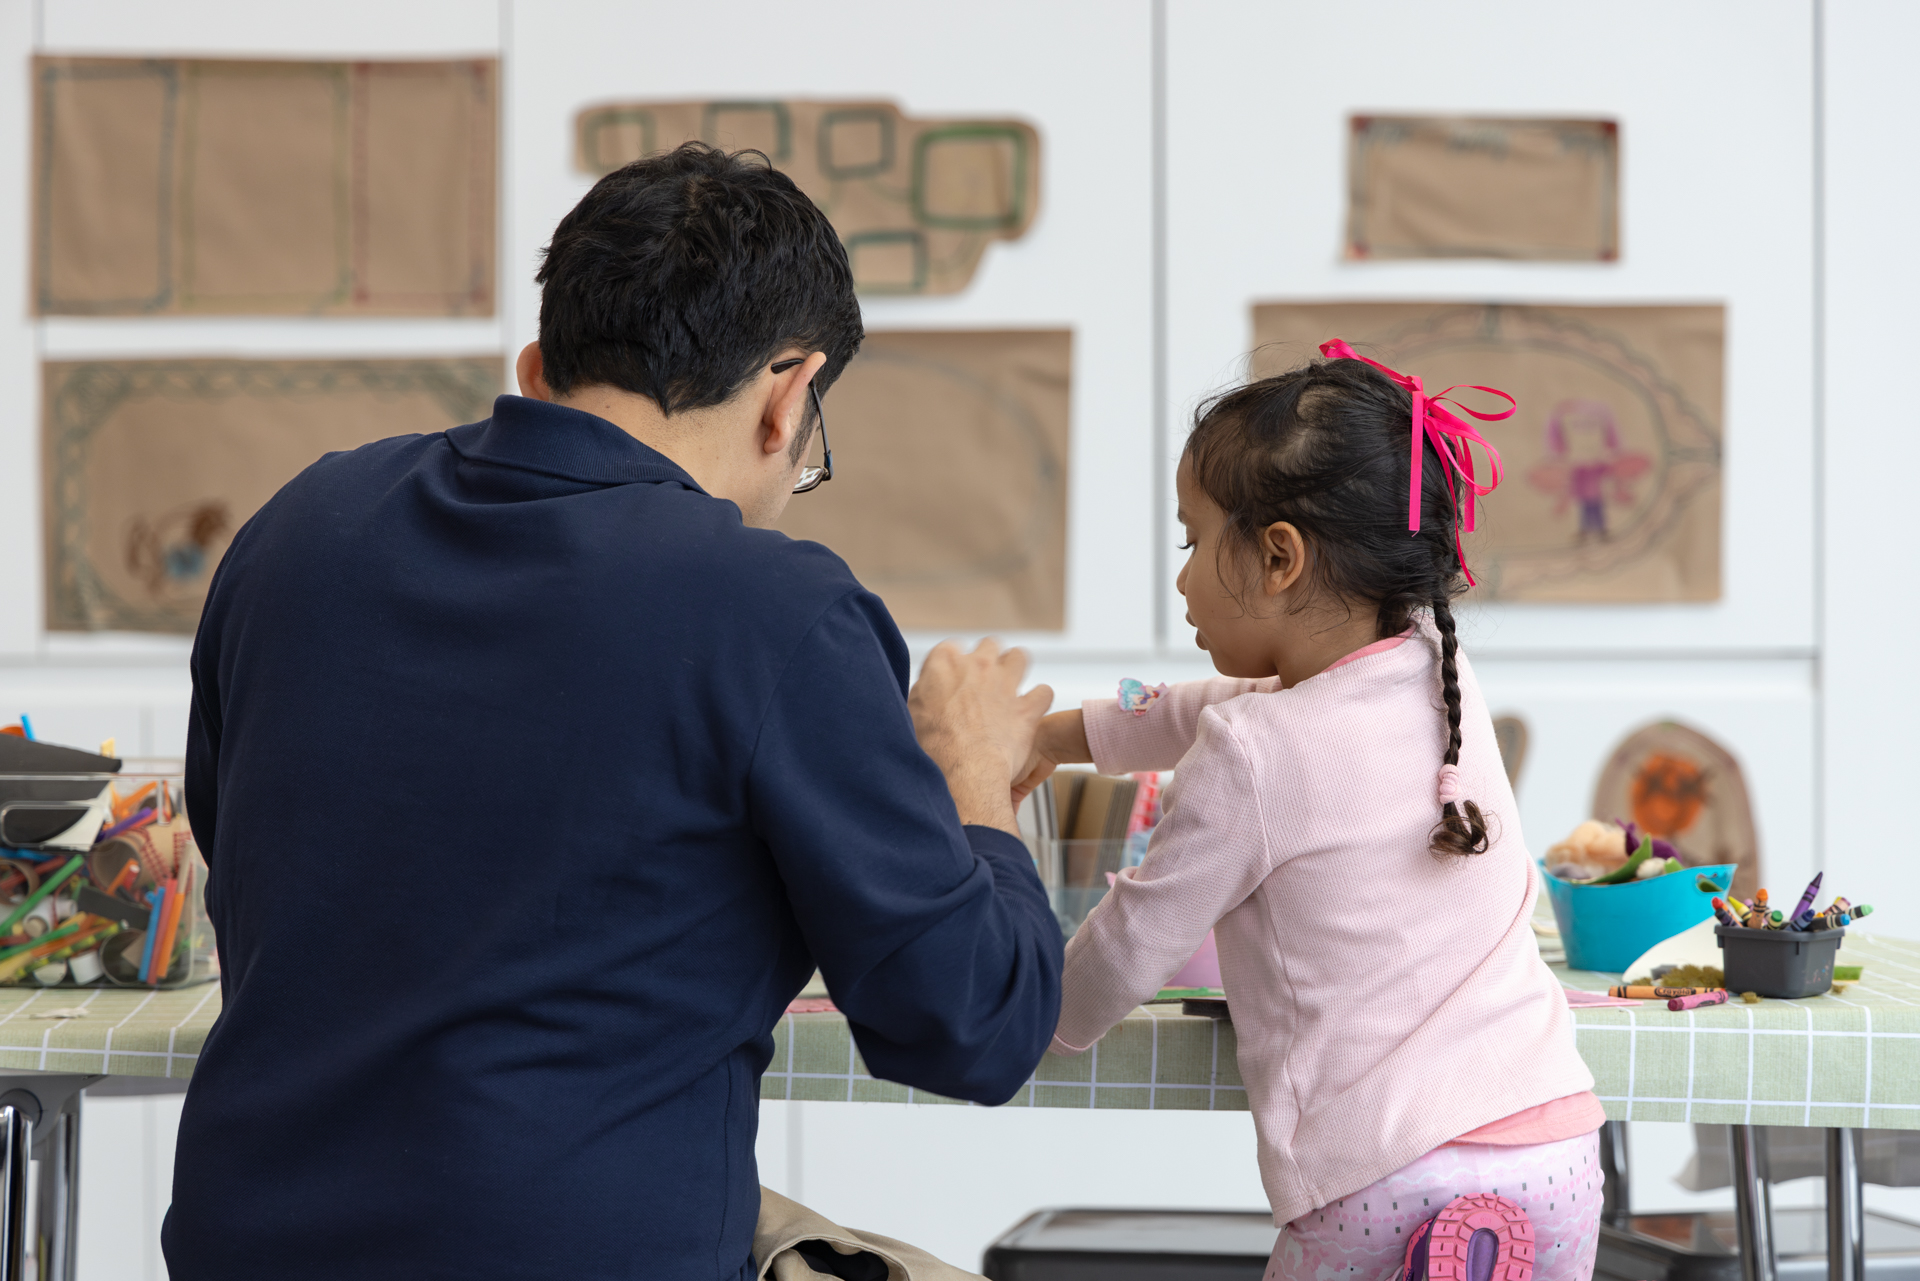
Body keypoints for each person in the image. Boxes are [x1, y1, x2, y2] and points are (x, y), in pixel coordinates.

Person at [166, 143, 1063, 1281]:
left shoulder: (299, 527)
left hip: (246, 1241)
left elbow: (235, 843)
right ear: (789, 394)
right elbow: (973, 1024)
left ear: (541, 364)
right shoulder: (772, 607)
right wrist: (975, 779)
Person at [1018, 344, 1603, 1281]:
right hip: (1557, 1156)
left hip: (1383, 1180)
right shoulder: (1435, 670)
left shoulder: (1254, 754)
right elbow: (1227, 709)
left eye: (1192, 540)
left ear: (1279, 555)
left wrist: (1028, 1011)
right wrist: (1058, 736)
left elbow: (1130, 946)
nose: (1181, 579)